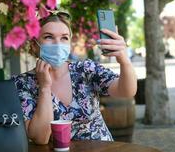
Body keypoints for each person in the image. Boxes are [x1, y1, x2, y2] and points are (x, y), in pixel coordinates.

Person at [12, 11, 137, 144]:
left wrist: (124, 61)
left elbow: (126, 91)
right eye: (49, 37)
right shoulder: (21, 83)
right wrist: (44, 88)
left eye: (64, 38)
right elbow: (40, 138)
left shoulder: (86, 69)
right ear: (34, 45)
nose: (57, 44)